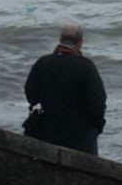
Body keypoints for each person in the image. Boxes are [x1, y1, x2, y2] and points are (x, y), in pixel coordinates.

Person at [24, 24, 107, 154]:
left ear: (60, 40)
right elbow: (97, 103)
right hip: (79, 137)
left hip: (46, 130)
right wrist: (97, 127)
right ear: (80, 43)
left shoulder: (42, 63)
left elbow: (31, 95)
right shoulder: (86, 67)